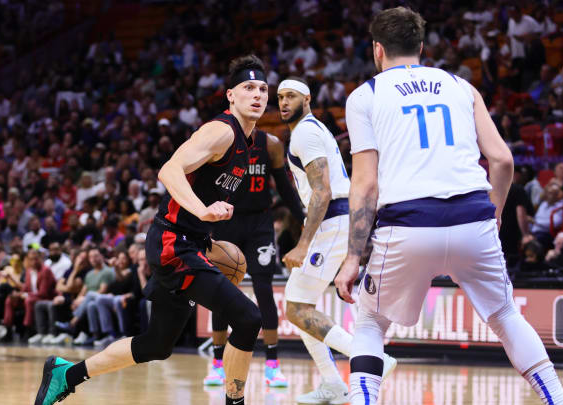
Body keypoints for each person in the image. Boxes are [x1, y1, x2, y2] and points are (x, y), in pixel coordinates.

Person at [335, 8, 563, 405]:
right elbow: (503, 161)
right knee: (506, 316)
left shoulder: (366, 95)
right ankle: (559, 401)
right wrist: (493, 213)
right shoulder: (460, 85)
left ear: (377, 50)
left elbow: (366, 183)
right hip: (472, 216)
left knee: (372, 321)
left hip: (408, 224)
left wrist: (352, 256)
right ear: (421, 47)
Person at [35, 55, 268, 405]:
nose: (258, 94)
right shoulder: (221, 131)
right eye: (248, 88)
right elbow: (169, 170)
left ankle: (65, 374)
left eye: (263, 88)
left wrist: (207, 227)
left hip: (189, 243)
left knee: (156, 345)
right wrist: (203, 211)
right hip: (174, 244)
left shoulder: (248, 143)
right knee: (248, 318)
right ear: (230, 95)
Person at [277, 77, 396, 403]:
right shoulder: (309, 129)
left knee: (297, 307)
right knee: (300, 307)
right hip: (335, 218)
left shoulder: (305, 132)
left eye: (291, 96)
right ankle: (332, 382)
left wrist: (303, 243)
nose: (284, 102)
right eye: (280, 97)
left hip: (331, 218)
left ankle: (373, 360)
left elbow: (322, 190)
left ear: (307, 98)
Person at [207, 122, 305, 387]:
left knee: (264, 290)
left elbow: (284, 189)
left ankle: (272, 365)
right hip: (227, 220)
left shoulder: (270, 144)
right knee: (221, 290)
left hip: (260, 224)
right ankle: (217, 363)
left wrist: (304, 218)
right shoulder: (222, 142)